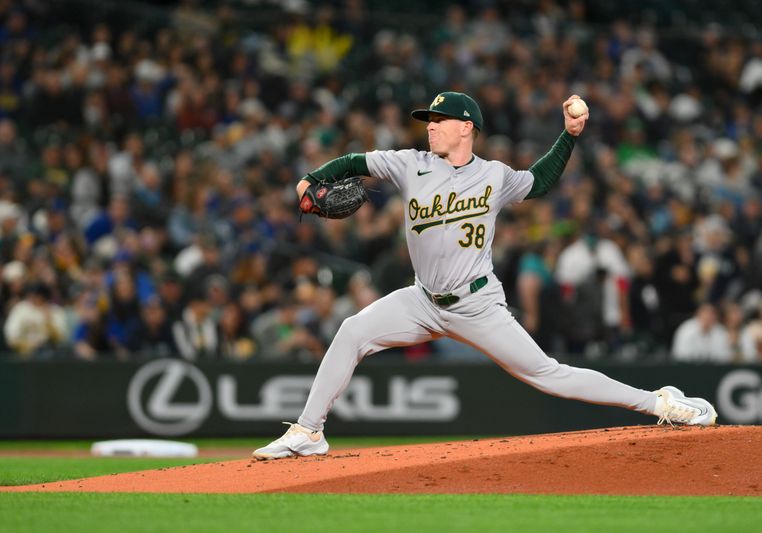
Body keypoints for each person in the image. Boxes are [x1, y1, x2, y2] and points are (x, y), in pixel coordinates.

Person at [252, 92, 717, 460]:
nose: (430, 125)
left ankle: (658, 403)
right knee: (352, 330)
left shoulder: (494, 176)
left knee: (547, 375)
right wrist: (310, 178)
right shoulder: (411, 163)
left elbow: (542, 180)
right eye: (428, 120)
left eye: (439, 119)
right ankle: (308, 431)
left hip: (478, 304)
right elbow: (355, 163)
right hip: (421, 300)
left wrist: (570, 135)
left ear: (466, 127)